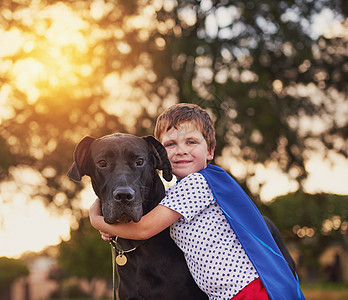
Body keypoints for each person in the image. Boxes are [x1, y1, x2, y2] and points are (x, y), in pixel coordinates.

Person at [89, 103, 305, 300]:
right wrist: (114, 221)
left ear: (210, 151)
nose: (181, 150)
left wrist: (97, 219)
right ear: (161, 155)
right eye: (171, 144)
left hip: (245, 291)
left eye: (191, 142)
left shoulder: (198, 184)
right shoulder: (178, 194)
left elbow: (144, 229)